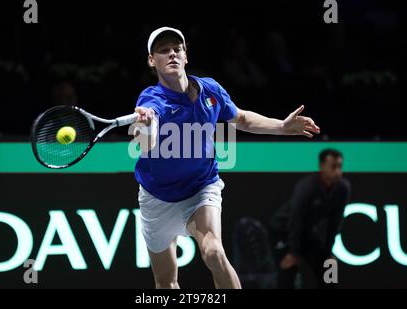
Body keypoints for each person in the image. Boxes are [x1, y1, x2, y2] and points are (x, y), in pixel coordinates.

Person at [132, 27, 320, 289]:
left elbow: (240, 118)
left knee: (214, 252)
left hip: (200, 188)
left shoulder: (210, 90)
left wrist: (282, 127)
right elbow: (146, 144)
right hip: (157, 197)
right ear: (152, 60)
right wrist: (146, 125)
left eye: (177, 49)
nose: (172, 54)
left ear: (186, 55)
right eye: (164, 50)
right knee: (165, 282)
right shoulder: (151, 100)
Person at [268, 148, 351, 288]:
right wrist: (293, 252)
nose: (337, 171)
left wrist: (328, 252)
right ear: (322, 166)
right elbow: (295, 220)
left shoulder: (344, 188)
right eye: (333, 167)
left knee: (329, 265)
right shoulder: (307, 187)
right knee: (288, 267)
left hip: (306, 232)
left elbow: (335, 223)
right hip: (282, 231)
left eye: (339, 167)